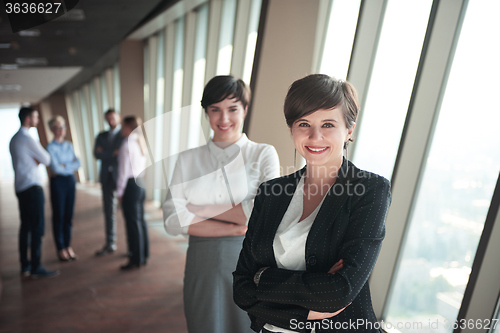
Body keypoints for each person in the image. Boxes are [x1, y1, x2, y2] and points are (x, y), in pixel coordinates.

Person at [233, 74, 392, 333]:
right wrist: (306, 307)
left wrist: (262, 278)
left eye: (328, 124)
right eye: (304, 123)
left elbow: (339, 293)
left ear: (349, 130)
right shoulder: (272, 192)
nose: (315, 136)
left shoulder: (370, 190)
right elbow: (241, 288)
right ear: (292, 129)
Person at [163, 75, 280, 333]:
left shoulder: (263, 153)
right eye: (215, 109)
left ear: (245, 110)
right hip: (201, 260)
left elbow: (266, 212)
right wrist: (235, 226)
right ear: (206, 112)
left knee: (247, 324)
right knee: (204, 323)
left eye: (232, 109)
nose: (223, 119)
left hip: (251, 260)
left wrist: (199, 210)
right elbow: (172, 220)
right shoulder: (188, 160)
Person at [9, 106, 60, 279]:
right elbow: (47, 159)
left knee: (25, 227)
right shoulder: (28, 139)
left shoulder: (14, 139)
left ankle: (25, 266)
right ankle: (36, 266)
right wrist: (37, 159)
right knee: (37, 227)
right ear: (28, 119)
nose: (38, 120)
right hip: (33, 187)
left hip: (21, 187)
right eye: (36, 117)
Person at [46, 115, 81, 262]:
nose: (61, 130)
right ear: (52, 130)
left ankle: (68, 246)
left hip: (69, 181)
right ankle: (60, 248)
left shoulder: (69, 145)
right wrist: (68, 165)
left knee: (68, 215)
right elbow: (54, 167)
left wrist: (64, 166)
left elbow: (78, 163)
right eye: (58, 128)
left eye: (63, 127)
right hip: (58, 183)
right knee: (59, 215)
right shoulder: (50, 147)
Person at [117, 116, 149, 270]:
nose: (121, 129)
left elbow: (122, 172)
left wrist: (120, 192)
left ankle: (135, 259)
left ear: (128, 127)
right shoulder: (140, 142)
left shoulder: (126, 144)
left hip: (130, 185)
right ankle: (144, 254)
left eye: (122, 126)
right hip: (141, 183)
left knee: (132, 224)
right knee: (140, 221)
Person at [94, 109, 124, 256]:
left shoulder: (124, 135)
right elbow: (96, 154)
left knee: (128, 213)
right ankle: (110, 243)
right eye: (108, 119)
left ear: (119, 117)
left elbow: (121, 154)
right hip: (106, 178)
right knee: (108, 212)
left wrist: (105, 152)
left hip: (121, 177)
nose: (111, 122)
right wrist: (113, 153)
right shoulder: (101, 135)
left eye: (113, 118)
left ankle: (132, 248)